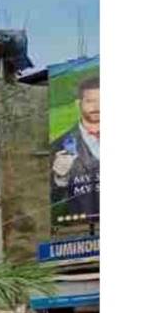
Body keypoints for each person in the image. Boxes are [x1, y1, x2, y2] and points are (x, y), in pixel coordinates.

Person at [51, 74, 99, 224]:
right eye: (90, 101)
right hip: (79, 231)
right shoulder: (58, 146)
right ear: (79, 103)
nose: (97, 107)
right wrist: (60, 178)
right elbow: (49, 206)